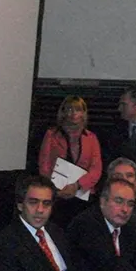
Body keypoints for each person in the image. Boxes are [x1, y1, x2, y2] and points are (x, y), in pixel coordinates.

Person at [0, 175, 92, 271]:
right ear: (20, 205)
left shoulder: (57, 232)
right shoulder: (5, 243)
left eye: (46, 204)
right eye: (33, 202)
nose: (40, 210)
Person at [37, 95, 103, 228]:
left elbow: (96, 169)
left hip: (83, 194)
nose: (73, 113)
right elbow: (44, 165)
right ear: (63, 112)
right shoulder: (52, 135)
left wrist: (77, 185)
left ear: (83, 113)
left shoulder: (91, 137)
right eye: (69, 109)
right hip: (57, 193)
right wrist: (55, 188)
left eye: (77, 109)